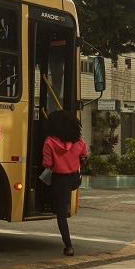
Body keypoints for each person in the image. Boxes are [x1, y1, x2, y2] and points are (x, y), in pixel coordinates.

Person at [42, 109, 87, 257]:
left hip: (59, 180)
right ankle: (67, 202)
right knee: (65, 194)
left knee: (60, 214)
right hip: (74, 179)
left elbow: (47, 163)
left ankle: (69, 246)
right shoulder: (79, 142)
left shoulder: (49, 141)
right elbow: (84, 157)